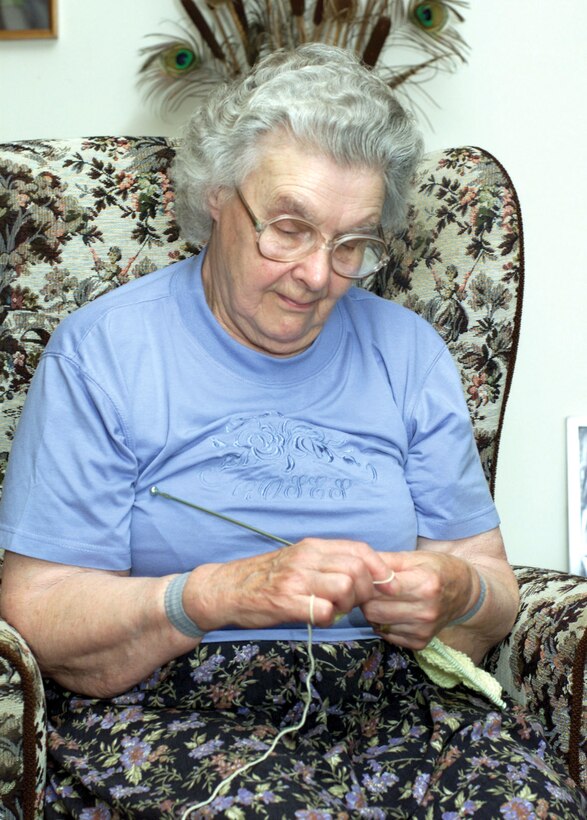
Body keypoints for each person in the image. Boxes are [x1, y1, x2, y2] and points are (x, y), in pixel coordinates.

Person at [0, 44, 584, 819]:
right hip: (175, 710)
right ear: (217, 195)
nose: (316, 274)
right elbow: (37, 606)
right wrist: (215, 593)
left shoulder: (408, 353)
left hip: (399, 707)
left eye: (352, 244)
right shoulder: (103, 352)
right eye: (288, 228)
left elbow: (491, 593)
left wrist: (454, 591)